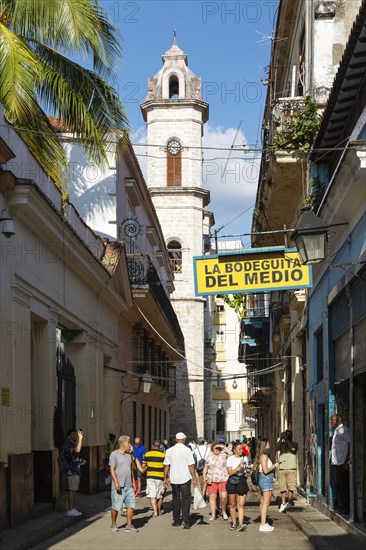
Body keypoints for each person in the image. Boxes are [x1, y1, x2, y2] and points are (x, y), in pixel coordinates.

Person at [109, 435, 144, 533]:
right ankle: (113, 524)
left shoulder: (129, 456)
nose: (130, 445)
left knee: (131, 505)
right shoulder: (114, 454)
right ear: (123, 444)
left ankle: (129, 525)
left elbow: (131, 470)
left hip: (128, 485)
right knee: (115, 506)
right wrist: (116, 482)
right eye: (129, 443)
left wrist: (133, 483)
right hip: (118, 485)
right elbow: (111, 469)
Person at [163, 432, 198, 529]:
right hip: (185, 478)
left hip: (174, 478)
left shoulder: (169, 450)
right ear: (184, 440)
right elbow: (191, 465)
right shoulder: (187, 450)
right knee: (186, 499)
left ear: (176, 440)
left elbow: (166, 465)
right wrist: (194, 478)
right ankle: (186, 521)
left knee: (176, 499)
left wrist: (165, 477)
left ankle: (176, 520)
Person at [254, 438, 279, 532]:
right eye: (268, 443)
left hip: (264, 479)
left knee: (262, 502)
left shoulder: (262, 455)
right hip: (266, 479)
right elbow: (265, 470)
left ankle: (263, 521)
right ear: (264, 445)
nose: (270, 444)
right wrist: (274, 466)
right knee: (266, 502)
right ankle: (263, 524)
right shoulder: (264, 456)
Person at [202, 441, 229, 521]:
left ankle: (223, 511)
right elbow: (205, 467)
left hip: (223, 478)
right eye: (215, 448)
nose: (216, 449)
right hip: (212, 479)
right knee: (212, 497)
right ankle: (213, 515)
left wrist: (223, 447)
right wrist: (204, 477)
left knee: (223, 497)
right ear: (212, 448)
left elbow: (231, 454)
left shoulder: (223, 455)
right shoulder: (209, 456)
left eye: (218, 448)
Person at [226, 441, 249, 532]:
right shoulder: (230, 458)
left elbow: (246, 470)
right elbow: (230, 472)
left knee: (241, 504)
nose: (241, 451)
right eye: (239, 449)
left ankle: (240, 523)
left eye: (242, 449)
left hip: (242, 481)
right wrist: (238, 467)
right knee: (232, 504)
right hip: (232, 481)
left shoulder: (244, 458)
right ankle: (234, 523)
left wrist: (246, 472)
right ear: (235, 450)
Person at [330, 414, 350, 514]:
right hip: (336, 463)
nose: (331, 423)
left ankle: (346, 507)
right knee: (339, 486)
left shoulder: (344, 430)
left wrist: (347, 461)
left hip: (342, 462)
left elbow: (350, 444)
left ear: (338, 421)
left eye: (332, 421)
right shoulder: (336, 430)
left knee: (343, 486)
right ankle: (341, 506)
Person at [276, 429, 298, 512]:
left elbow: (293, 449)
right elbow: (276, 448)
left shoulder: (295, 444)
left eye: (288, 435)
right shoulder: (281, 444)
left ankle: (289, 501)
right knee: (282, 487)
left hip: (291, 468)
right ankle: (283, 502)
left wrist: (287, 440)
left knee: (291, 486)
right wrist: (281, 439)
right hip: (282, 468)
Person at [142, 440, 166, 516]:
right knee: (159, 495)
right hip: (160, 477)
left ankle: (155, 511)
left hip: (150, 476)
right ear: (159, 447)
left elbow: (143, 466)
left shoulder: (147, 454)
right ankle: (159, 510)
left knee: (152, 495)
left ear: (152, 446)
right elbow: (166, 467)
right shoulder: (163, 455)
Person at [65, 428, 84, 517]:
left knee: (74, 490)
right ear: (69, 437)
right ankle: (70, 509)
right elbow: (77, 451)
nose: (75, 436)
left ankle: (73, 508)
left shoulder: (74, 445)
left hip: (76, 471)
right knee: (71, 490)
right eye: (73, 435)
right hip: (71, 471)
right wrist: (80, 439)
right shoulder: (69, 446)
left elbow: (75, 456)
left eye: (76, 434)